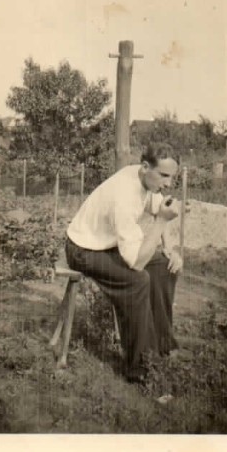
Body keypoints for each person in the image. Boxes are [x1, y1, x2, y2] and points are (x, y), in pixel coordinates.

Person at [66, 142, 183, 383]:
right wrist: (161, 221)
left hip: (106, 245)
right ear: (145, 167)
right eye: (164, 176)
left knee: (163, 266)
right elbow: (137, 264)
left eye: (172, 177)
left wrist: (170, 250)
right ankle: (139, 368)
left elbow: (159, 205)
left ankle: (161, 346)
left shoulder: (142, 177)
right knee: (137, 281)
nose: (168, 184)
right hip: (83, 249)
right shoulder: (124, 197)